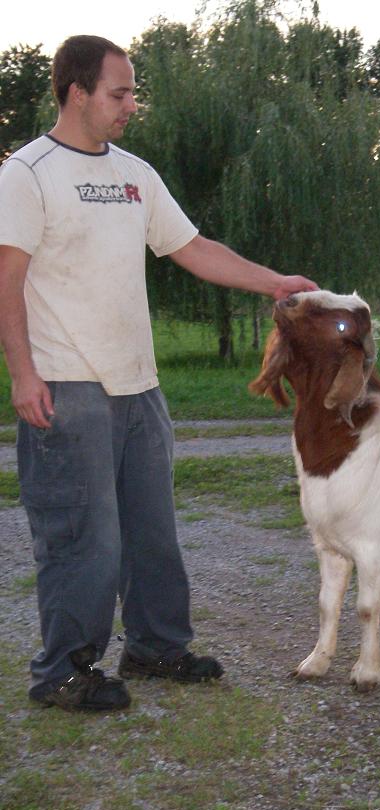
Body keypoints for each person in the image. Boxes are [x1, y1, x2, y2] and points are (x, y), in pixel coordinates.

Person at [0, 34, 318, 712]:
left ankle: (154, 645)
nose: (131, 104)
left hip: (139, 386)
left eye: (133, 92)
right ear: (77, 92)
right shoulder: (28, 174)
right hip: (67, 384)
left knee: (150, 530)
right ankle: (63, 670)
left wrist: (274, 283)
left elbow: (194, 248)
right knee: (84, 538)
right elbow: (8, 279)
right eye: (119, 93)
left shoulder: (135, 174)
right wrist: (22, 375)